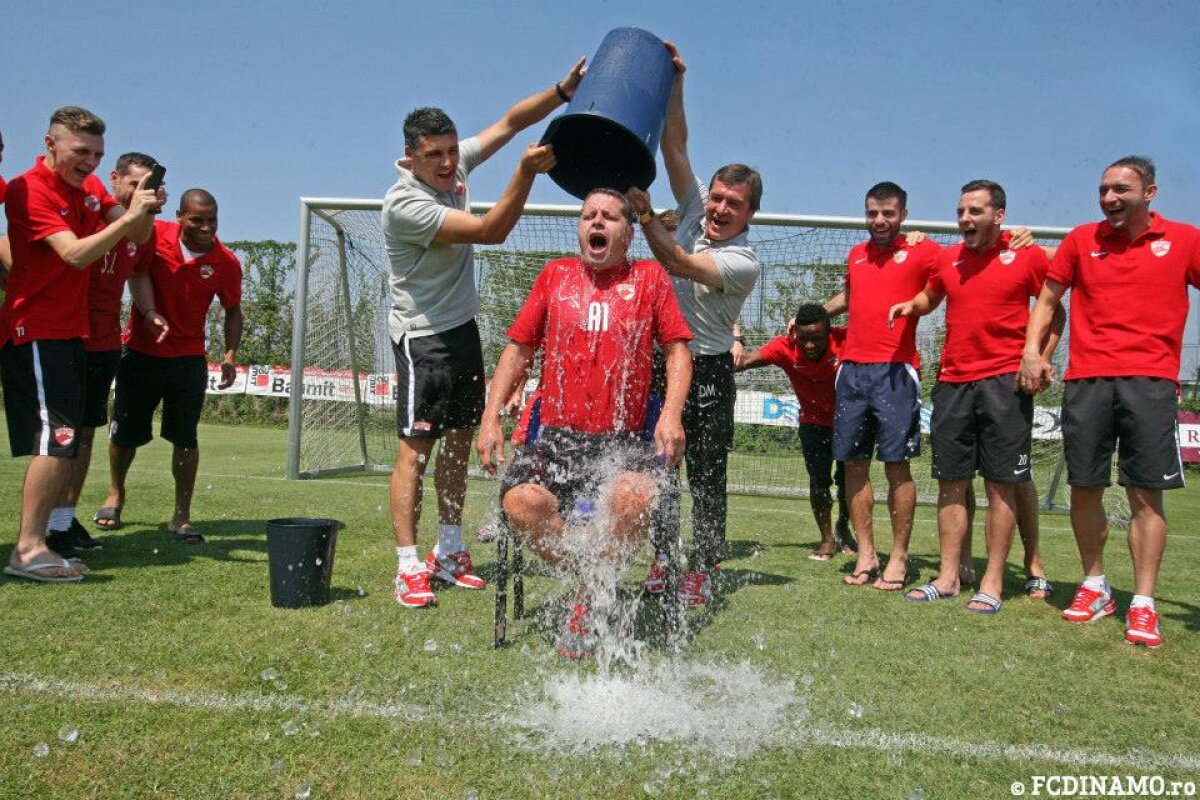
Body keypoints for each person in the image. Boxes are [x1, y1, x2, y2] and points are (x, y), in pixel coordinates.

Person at [382, 58, 585, 608]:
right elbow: (491, 231)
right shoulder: (405, 204)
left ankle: (449, 550)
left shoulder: (453, 167)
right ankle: (407, 564)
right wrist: (525, 173)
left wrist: (562, 91)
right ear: (410, 157)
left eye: (453, 150)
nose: (450, 163)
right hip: (422, 337)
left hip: (462, 331)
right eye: (435, 155)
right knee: (415, 453)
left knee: (456, 447)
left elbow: (510, 122)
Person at [476, 188, 692, 658]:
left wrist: (671, 413)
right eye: (588, 215)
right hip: (557, 438)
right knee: (521, 503)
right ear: (579, 229)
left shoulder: (649, 277)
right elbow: (518, 349)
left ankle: (585, 597)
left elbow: (677, 351)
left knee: (635, 497)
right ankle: (592, 582)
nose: (597, 222)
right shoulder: (555, 275)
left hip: (623, 438)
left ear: (628, 234)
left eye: (609, 217)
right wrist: (490, 418)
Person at [1020, 155, 1200, 648]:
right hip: (1087, 382)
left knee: (1145, 494)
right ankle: (1095, 586)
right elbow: (1048, 299)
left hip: (1151, 383)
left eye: (1121, 189)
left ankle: (1143, 602)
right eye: (1103, 190)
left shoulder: (1184, 240)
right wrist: (1032, 351)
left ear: (1150, 193)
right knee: (1085, 487)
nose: (1109, 198)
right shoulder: (1082, 240)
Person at [626, 41, 761, 607]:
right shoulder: (692, 208)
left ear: (750, 213)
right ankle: (662, 559)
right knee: (659, 469)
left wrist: (643, 215)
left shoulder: (743, 261)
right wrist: (676, 80)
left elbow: (678, 262)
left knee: (705, 474)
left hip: (706, 371)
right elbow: (675, 145)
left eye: (734, 204)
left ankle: (702, 567)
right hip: (659, 363)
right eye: (718, 197)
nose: (720, 209)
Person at [889, 180, 1062, 612]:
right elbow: (931, 294)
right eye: (961, 211)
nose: (965, 219)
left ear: (998, 216)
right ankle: (948, 577)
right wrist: (912, 305)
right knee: (950, 482)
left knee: (1001, 486)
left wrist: (1039, 359)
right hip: (952, 383)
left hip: (1005, 383)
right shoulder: (949, 259)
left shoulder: (1026, 255)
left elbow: (1056, 311)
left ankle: (992, 581)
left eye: (975, 211)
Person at [1, 106, 157, 582]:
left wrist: (141, 209)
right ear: (50, 144)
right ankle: (28, 549)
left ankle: (45, 539)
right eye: (81, 151)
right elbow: (73, 254)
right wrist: (127, 221)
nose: (89, 162)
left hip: (69, 332)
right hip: (35, 329)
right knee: (55, 439)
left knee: (65, 439)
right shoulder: (29, 188)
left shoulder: (87, 188)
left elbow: (137, 233)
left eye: (97, 155)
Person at [104, 188, 243, 543]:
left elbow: (233, 311)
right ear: (179, 216)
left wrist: (229, 355)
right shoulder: (153, 235)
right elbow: (134, 270)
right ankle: (115, 494)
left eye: (212, 220)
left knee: (185, 438)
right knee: (124, 434)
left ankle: (181, 515)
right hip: (140, 354)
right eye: (197, 220)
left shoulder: (226, 262)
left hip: (188, 360)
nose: (206, 227)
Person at [41, 153, 160, 553]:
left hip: (105, 342)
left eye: (149, 186)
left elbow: (139, 272)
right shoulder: (87, 210)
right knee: (60, 437)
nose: (140, 192)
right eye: (134, 184)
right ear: (114, 178)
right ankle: (39, 530)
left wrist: (148, 311)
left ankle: (63, 523)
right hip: (66, 337)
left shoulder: (143, 231)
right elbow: (15, 246)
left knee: (86, 434)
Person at [825, 182, 941, 591]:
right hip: (852, 371)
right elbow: (850, 295)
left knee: (896, 465)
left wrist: (916, 303)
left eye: (888, 213)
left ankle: (899, 557)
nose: (879, 220)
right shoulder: (856, 254)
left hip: (896, 372)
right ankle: (867, 553)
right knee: (853, 465)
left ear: (903, 215)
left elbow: (948, 278)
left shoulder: (924, 250)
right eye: (872, 213)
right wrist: (814, 314)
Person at [735, 304, 854, 560]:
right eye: (804, 339)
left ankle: (843, 527)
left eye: (817, 339)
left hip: (848, 422)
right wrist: (726, 349)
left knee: (848, 482)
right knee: (819, 481)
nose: (810, 345)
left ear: (830, 333)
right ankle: (827, 539)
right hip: (813, 423)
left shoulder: (846, 340)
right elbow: (745, 361)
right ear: (795, 334)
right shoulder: (784, 347)